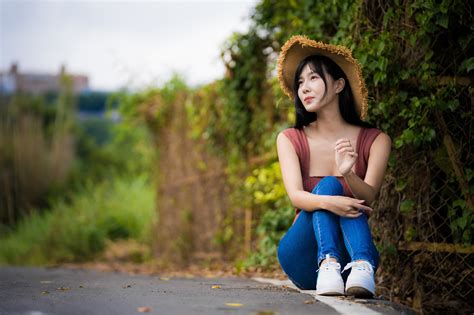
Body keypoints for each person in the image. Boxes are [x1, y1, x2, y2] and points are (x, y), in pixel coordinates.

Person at [275, 35, 391, 298]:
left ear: (339, 85)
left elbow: (369, 196)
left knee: (336, 184)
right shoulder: (290, 139)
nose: (304, 88)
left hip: (351, 259)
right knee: (328, 185)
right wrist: (332, 201)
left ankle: (362, 264)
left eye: (313, 78)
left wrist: (349, 172)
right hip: (303, 256)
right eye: (300, 82)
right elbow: (296, 196)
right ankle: (328, 262)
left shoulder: (376, 141)